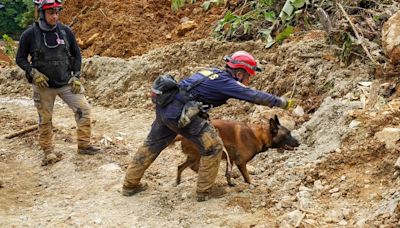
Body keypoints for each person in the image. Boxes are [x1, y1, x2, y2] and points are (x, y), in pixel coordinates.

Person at [122, 51, 296, 201]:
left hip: (165, 108)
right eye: (249, 75)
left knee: (152, 144)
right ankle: (204, 191)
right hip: (182, 114)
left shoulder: (212, 72)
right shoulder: (228, 82)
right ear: (240, 72)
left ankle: (130, 185)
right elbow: (252, 95)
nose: (249, 80)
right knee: (214, 147)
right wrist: (280, 102)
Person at [16, 0, 100, 166]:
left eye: (56, 12)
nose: (55, 16)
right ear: (42, 13)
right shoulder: (30, 34)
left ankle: (84, 145)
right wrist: (33, 72)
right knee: (45, 119)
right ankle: (48, 151)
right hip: (43, 86)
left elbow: (77, 54)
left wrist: (76, 76)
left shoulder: (65, 31)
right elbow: (19, 58)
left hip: (66, 82)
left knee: (83, 109)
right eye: (51, 13)